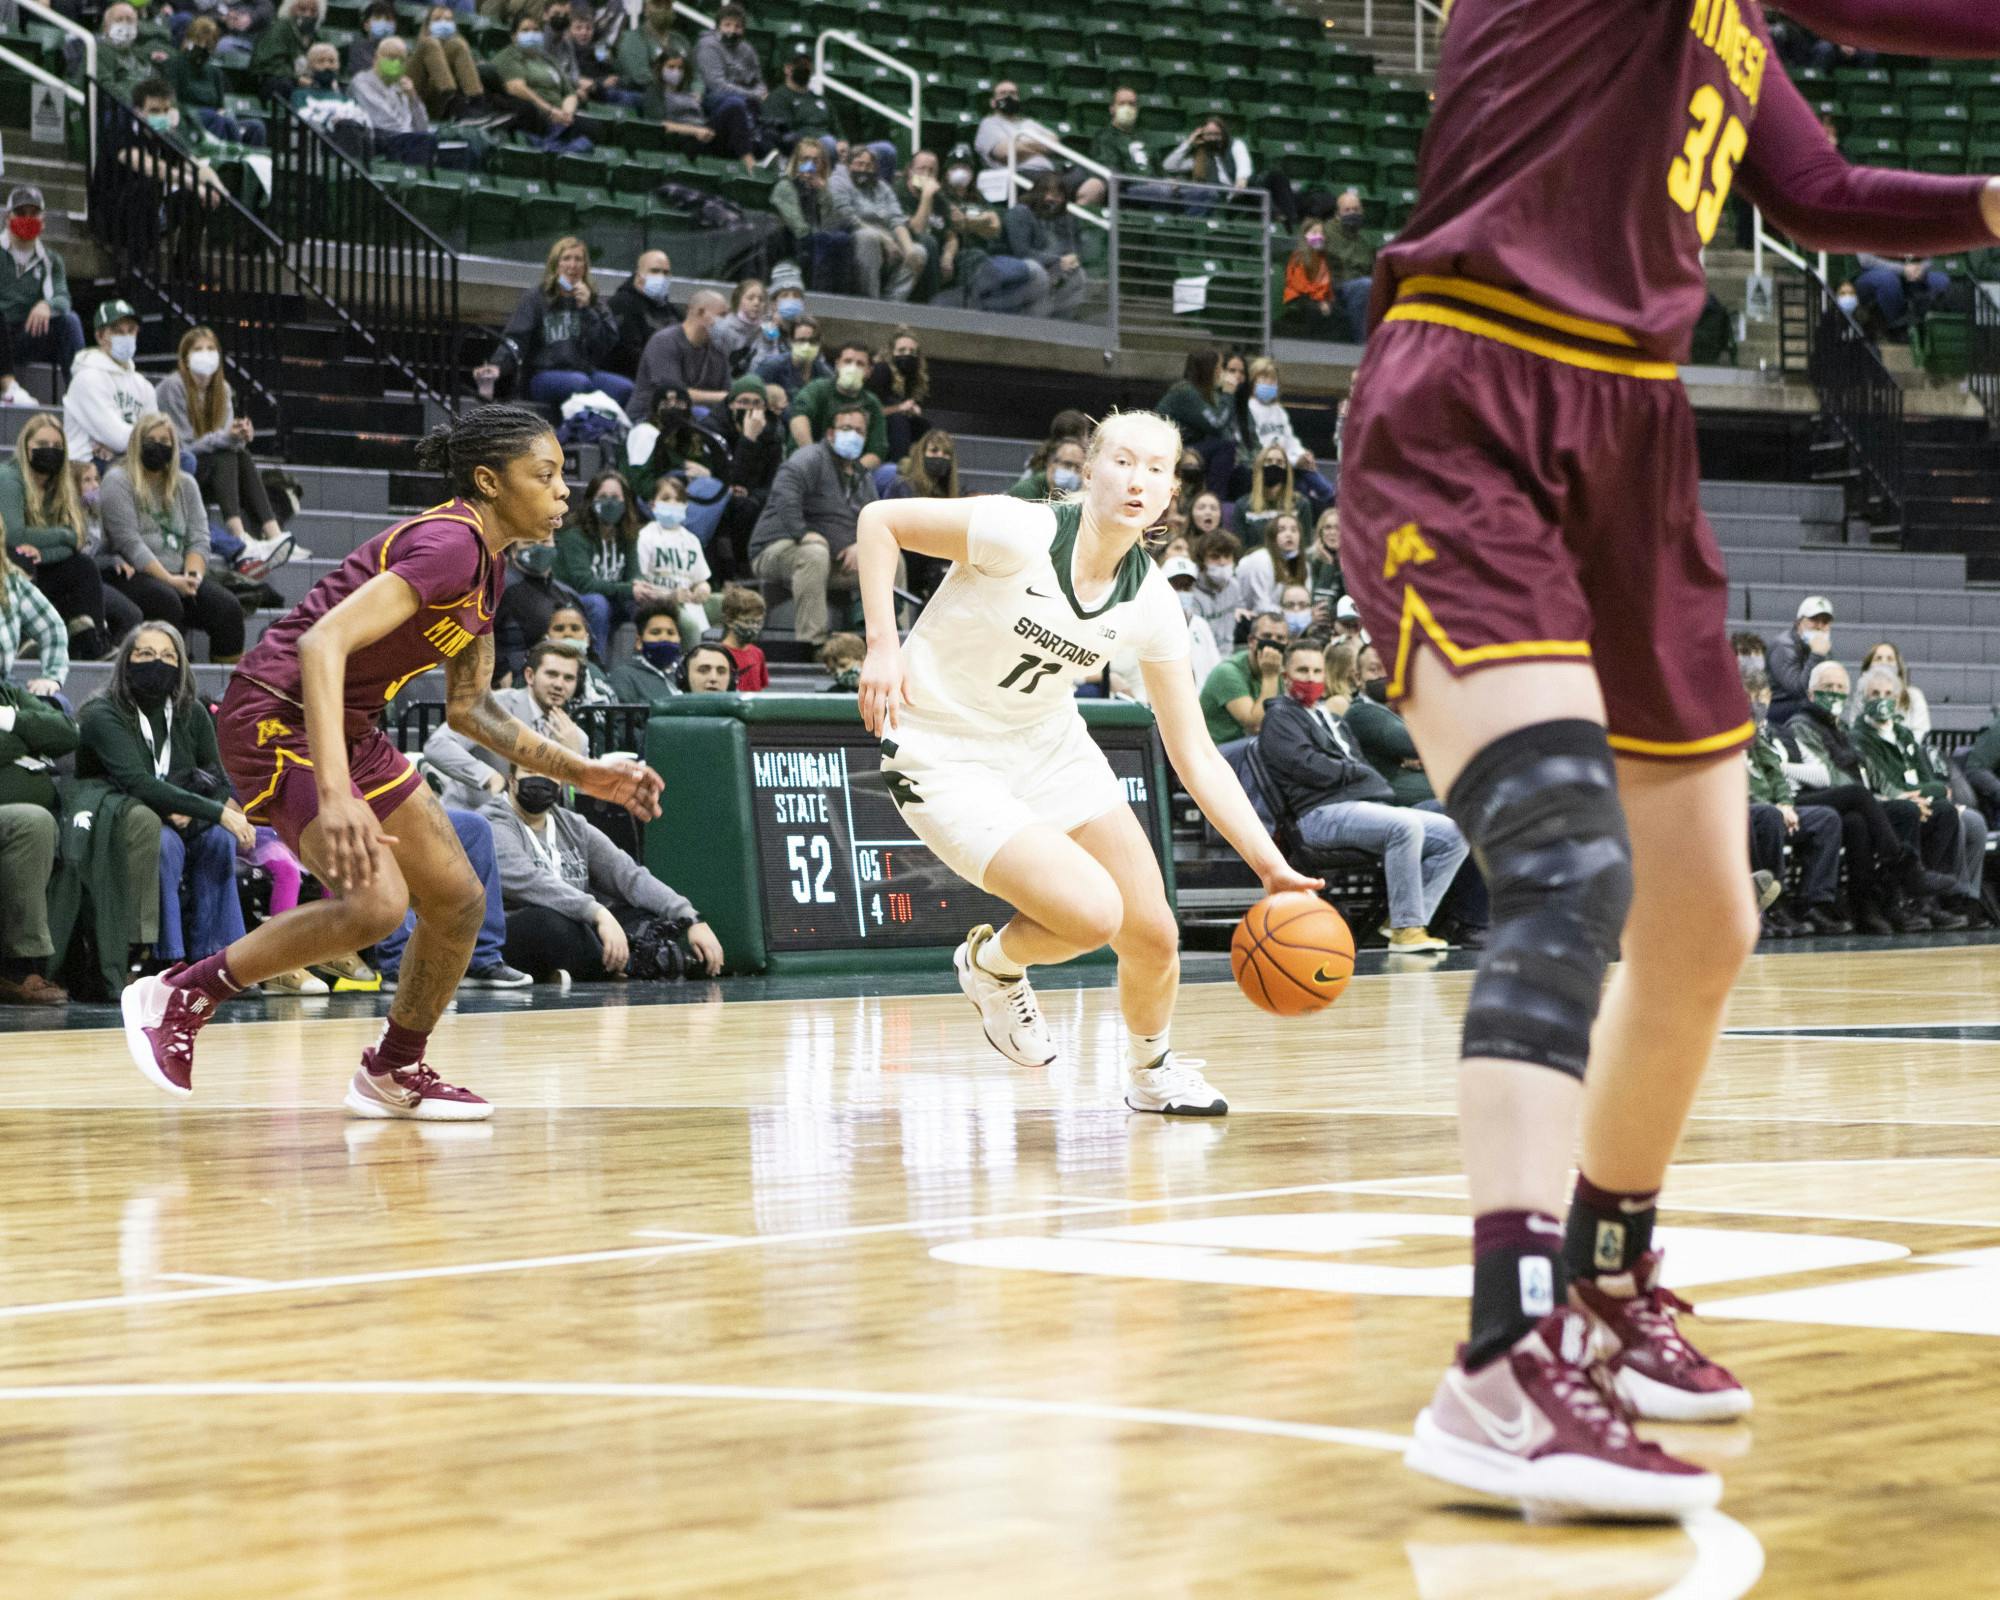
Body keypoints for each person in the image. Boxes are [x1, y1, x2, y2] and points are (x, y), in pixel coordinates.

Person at [1335, 0, 2000, 1519]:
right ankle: (1502, 1357)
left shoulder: (1726, 21)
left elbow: (1815, 192)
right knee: (1565, 865)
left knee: (1703, 922)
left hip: (1637, 431)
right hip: (1473, 400)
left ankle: (1609, 1266)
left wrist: (1983, 204)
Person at [120, 405, 664, 1120]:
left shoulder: (489, 572)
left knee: (459, 900)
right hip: (274, 715)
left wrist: (584, 774)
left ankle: (393, 1068)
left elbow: (471, 708)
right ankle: (180, 993)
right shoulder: (449, 545)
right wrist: (339, 796)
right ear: (488, 481)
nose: (564, 490)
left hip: (350, 728)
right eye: (546, 474)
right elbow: (322, 645)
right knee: (378, 905)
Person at [854, 409, 1321, 1115]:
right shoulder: (1022, 530)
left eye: (1157, 469)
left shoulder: (1153, 603)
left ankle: (1152, 1073)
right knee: (1093, 914)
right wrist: (883, 644)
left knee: (1155, 935)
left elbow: (1193, 748)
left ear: (1171, 495)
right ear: (1089, 469)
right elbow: (880, 520)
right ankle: (991, 965)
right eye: (1124, 462)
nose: (1139, 480)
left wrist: (1267, 863)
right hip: (940, 747)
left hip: (1045, 744)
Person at [1260, 637, 1466, 950]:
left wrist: (1356, 773)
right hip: (1318, 815)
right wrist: (1354, 774)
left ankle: (1405, 918)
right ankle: (1406, 928)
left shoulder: (1329, 717)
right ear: (1286, 676)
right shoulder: (1280, 718)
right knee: (1404, 827)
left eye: (1317, 670)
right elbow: (1306, 766)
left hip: (1356, 806)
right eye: (1302, 670)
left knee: (1455, 833)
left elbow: (1356, 762)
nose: (1311, 678)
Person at [77, 623, 257, 971]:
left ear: (180, 666)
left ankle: (217, 958)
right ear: (126, 661)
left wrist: (198, 812)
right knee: (164, 843)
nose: (156, 663)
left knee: (219, 839)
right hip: (125, 816)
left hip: (183, 817)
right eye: (145, 654)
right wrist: (212, 811)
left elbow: (219, 780)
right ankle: (168, 958)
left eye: (167, 655)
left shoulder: (192, 712)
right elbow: (138, 782)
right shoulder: (103, 713)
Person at [486, 761, 722, 981]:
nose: (540, 780)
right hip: (516, 928)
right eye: (529, 771)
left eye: (549, 773)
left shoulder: (573, 825)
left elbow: (629, 876)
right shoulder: (493, 820)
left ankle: (623, 962)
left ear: (560, 783)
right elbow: (528, 881)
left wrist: (690, 918)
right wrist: (597, 913)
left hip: (581, 925)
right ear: (512, 779)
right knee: (549, 923)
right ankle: (632, 964)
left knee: (644, 913)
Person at [1779, 657, 1963, 933]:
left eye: (1840, 687)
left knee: (1866, 819)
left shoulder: (1837, 726)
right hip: (1809, 797)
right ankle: (1906, 871)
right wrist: (1880, 800)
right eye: (1828, 686)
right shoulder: (1801, 725)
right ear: (1811, 693)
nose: (1835, 692)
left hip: (1848, 804)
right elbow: (1829, 774)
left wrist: (1899, 794)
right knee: (1861, 798)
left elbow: (1870, 771)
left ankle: (1878, 904)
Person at [1850, 662, 1992, 920]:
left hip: (1917, 801)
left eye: (1888, 695)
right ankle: (1903, 899)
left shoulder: (1903, 734)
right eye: (1875, 694)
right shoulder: (1859, 737)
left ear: (1898, 699)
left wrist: (1926, 793)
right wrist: (1919, 794)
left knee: (1945, 811)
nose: (1882, 700)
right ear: (1862, 699)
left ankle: (1932, 902)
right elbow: (1887, 782)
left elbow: (1932, 782)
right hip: (1885, 806)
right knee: (1911, 810)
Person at [101, 413, 244, 663]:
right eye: (151, 439)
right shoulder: (117, 480)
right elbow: (129, 543)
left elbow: (199, 537)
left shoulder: (186, 484)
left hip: (179, 573)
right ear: (137, 443)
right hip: (130, 573)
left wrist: (192, 577)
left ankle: (228, 690)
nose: (158, 446)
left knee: (228, 609)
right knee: (166, 601)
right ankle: (171, 673)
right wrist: (170, 580)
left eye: (165, 441)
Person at [2, 414, 138, 662]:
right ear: (26, 447)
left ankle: (93, 641)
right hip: (8, 567)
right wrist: (61, 536)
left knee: (82, 565)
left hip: (43, 567)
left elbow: (76, 538)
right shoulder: (9, 477)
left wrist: (45, 551)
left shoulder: (61, 483)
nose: (49, 452)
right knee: (21, 557)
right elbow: (14, 535)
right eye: (42, 445)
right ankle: (25, 639)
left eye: (56, 447)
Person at [155, 325, 292, 571]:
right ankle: (239, 534)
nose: (205, 354)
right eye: (198, 349)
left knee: (238, 453)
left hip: (215, 474)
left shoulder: (224, 389)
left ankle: (274, 533)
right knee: (226, 454)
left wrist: (240, 435)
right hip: (183, 468)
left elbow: (224, 440)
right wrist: (227, 438)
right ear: (185, 356)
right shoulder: (172, 387)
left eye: (211, 349)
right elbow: (184, 446)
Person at [750, 400, 878, 646]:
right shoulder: (810, 457)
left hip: (832, 561)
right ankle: (812, 645)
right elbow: (785, 492)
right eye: (846, 428)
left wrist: (862, 544)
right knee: (813, 553)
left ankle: (890, 642)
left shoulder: (863, 476)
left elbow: (875, 517)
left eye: (859, 431)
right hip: (775, 550)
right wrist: (802, 533)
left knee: (891, 561)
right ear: (831, 433)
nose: (853, 435)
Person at [1740, 668, 1850, 937]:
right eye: (1749, 697)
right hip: (1743, 809)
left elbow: (1776, 773)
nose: (1756, 704)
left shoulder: (1757, 735)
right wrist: (1776, 808)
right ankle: (1771, 904)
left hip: (1773, 807)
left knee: (1826, 818)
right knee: (1768, 816)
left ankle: (1814, 902)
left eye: (1761, 697)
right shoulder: (1723, 732)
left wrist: (1786, 803)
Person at [474, 237, 628, 411]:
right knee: (579, 384)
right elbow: (517, 337)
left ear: (585, 267)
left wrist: (588, 309)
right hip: (542, 376)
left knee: (624, 388)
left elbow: (605, 345)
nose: (573, 265)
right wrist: (499, 366)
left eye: (578, 259)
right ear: (556, 265)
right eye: (567, 258)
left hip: (585, 373)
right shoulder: (536, 298)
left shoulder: (594, 302)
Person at [0, 675, 75, 1004]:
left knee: (77, 830)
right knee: (34, 823)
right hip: (20, 822)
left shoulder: (9, 692)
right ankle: (18, 967)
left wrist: (10, 718)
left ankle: (83, 967)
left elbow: (65, 732)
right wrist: (25, 740)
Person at [935, 146, 1050, 316]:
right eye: (955, 168)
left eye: (965, 168)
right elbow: (955, 224)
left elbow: (994, 227)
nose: (960, 172)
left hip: (985, 256)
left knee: (1031, 272)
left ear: (972, 173)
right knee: (979, 260)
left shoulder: (979, 199)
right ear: (946, 173)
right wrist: (981, 222)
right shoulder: (941, 197)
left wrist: (970, 222)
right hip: (958, 257)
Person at [0, 187, 85, 410]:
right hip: (1, 331)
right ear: (8, 218)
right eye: (21, 213)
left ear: (43, 220)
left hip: (27, 334)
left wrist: (47, 304)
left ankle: (83, 397)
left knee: (70, 321)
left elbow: (63, 297)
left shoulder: (51, 260)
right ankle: (7, 387)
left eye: (33, 213)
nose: (27, 219)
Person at [65, 300, 157, 469]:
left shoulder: (143, 385)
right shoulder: (87, 379)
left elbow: (157, 436)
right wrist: (134, 444)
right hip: (87, 466)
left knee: (183, 459)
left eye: (131, 331)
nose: (126, 337)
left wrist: (124, 447)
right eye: (118, 332)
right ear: (100, 336)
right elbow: (118, 438)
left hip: (126, 458)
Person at [830, 145, 928, 303]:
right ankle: (871, 301)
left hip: (887, 238)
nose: (864, 169)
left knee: (919, 252)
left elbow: (897, 219)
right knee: (869, 237)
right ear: (849, 165)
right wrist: (884, 239)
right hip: (854, 232)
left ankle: (892, 303)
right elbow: (846, 217)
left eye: (869, 166)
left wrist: (908, 248)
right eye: (859, 164)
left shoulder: (882, 187)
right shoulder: (838, 180)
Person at [1161, 114, 1296, 227]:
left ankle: (1288, 220)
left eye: (1216, 134)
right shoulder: (1199, 158)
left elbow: (1244, 164)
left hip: (1243, 190)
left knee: (1275, 176)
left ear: (1223, 134)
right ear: (1202, 136)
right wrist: (1189, 142)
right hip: (1224, 200)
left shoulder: (1235, 145)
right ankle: (1278, 217)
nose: (1213, 138)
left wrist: (1241, 180)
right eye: (1208, 134)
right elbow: (1169, 165)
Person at [491, 11, 589, 152]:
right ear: (513, 36)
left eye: (536, 30)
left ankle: (553, 149)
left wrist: (567, 114)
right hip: (536, 119)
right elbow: (516, 87)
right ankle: (549, 150)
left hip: (561, 121)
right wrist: (550, 111)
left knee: (590, 133)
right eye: (525, 30)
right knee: (582, 144)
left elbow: (569, 93)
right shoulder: (509, 56)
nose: (531, 34)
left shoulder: (548, 59)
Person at [627, 289, 729, 423]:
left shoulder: (718, 350)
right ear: (700, 312)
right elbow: (673, 394)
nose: (726, 322)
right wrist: (723, 397)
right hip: (651, 417)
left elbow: (729, 392)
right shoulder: (664, 342)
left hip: (696, 417)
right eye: (722, 315)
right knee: (703, 414)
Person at [632, 476, 713, 647]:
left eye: (679, 500)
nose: (673, 503)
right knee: (691, 626)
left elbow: (701, 580)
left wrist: (703, 589)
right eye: (666, 498)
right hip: (660, 604)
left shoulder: (692, 540)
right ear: (653, 504)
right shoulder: (645, 537)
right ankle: (691, 669)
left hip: (690, 601)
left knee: (729, 606)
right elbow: (639, 585)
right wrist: (670, 597)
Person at [1243, 360, 1334, 505]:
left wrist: (1303, 455)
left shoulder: (1278, 410)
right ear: (1253, 382)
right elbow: (1256, 446)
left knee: (1305, 478)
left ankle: (1329, 498)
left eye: (1272, 380)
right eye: (1263, 379)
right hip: (1267, 464)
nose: (1268, 383)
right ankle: (1331, 496)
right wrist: (1294, 460)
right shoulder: (1247, 408)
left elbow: (1291, 441)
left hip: (1289, 465)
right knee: (1304, 482)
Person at [1000, 174, 1088, 321]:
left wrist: (1072, 259)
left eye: (1060, 196)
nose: (1055, 200)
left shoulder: (1064, 218)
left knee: (1079, 274)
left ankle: (1061, 323)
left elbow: (1073, 249)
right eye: (1051, 194)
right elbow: (1022, 253)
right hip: (1020, 270)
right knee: (1035, 268)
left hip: (1052, 270)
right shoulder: (1020, 213)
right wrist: (1058, 261)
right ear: (1038, 193)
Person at [690, 2, 767, 170]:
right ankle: (751, 159)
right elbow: (717, 85)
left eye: (738, 26)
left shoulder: (747, 50)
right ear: (718, 26)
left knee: (764, 113)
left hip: (743, 99)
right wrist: (753, 94)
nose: (732, 30)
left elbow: (759, 83)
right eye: (727, 25)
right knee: (736, 102)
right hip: (711, 100)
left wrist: (758, 93)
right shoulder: (708, 46)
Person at [787, 340, 888, 466]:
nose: (853, 367)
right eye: (848, 361)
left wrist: (849, 475)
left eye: (860, 364)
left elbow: (877, 451)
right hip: (807, 464)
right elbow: (798, 418)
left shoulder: (872, 404)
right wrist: (813, 459)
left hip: (851, 471)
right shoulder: (818, 389)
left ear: (868, 371)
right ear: (837, 364)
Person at [1196, 609, 1289, 747]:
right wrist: (1270, 676)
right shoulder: (1227, 672)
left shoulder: (1280, 668)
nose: (1273, 643)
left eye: (1280, 638)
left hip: (1250, 749)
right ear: (1251, 641)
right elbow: (1256, 726)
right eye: (1267, 636)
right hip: (1218, 752)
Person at [1156, 350, 1242, 499]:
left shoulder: (1203, 392)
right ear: (1210, 370)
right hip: (1168, 448)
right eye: (1220, 367)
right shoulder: (1187, 392)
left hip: (1186, 445)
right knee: (1225, 446)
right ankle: (1215, 499)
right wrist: (1228, 394)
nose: (1223, 372)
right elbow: (1217, 424)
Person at [770, 138, 852, 293]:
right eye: (805, 159)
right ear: (796, 162)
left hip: (820, 237)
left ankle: (842, 296)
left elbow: (832, 223)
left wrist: (823, 192)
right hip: (794, 239)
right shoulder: (785, 187)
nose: (811, 165)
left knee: (843, 239)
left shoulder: (823, 188)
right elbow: (798, 227)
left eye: (816, 161)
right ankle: (819, 293)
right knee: (822, 240)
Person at [0, 545, 68, 699]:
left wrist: (51, 676)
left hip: (3, 687)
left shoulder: (10, 582)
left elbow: (51, 627)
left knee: (58, 703)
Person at [607, 251, 680, 378]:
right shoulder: (622, 304)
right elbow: (628, 354)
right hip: (636, 376)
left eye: (666, 273)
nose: (661, 277)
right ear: (639, 275)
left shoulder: (673, 311)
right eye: (655, 271)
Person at [1766, 594, 1834, 727]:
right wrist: (1817, 655)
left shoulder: (1822, 647)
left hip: (1805, 706)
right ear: (1799, 622)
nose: (1819, 626)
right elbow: (1798, 691)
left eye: (1825, 622)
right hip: (1780, 708)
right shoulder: (1783, 646)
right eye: (1814, 620)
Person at [408, 5, 486, 121]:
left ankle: (476, 101)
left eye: (448, 20)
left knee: (458, 44)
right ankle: (450, 96)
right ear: (428, 25)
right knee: (430, 44)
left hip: (438, 103)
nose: (443, 23)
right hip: (414, 99)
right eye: (437, 19)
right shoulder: (417, 48)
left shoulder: (458, 49)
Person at [761, 43, 836, 158]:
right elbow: (784, 133)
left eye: (806, 64)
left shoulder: (822, 100)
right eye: (798, 64)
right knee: (829, 143)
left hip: (827, 148)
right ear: (787, 68)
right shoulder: (777, 98)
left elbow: (838, 130)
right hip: (797, 153)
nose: (803, 68)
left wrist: (842, 142)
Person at [1322, 189, 1377, 342]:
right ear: (1338, 214)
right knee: (1365, 285)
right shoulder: (1323, 231)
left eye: (1356, 210)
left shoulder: (1365, 239)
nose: (1352, 213)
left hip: (1361, 284)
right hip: (1336, 285)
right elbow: (1309, 257)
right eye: (1347, 210)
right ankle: (1363, 344)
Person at [869, 327, 931, 462]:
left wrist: (912, 411)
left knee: (923, 425)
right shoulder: (881, 370)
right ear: (891, 352)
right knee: (899, 419)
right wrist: (900, 408)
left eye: (912, 352)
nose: (907, 355)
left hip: (892, 430)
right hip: (872, 427)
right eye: (902, 350)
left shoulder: (911, 379)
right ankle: (897, 468)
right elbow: (870, 411)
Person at [1854, 252, 1950, 339]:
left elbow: (1930, 257)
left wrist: (1921, 268)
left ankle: (1929, 328)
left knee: (1940, 281)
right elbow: (1866, 261)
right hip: (1872, 273)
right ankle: (1897, 328)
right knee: (1888, 280)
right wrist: (1903, 269)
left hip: (1912, 271)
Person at [607, 600, 684, 707]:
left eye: (671, 633)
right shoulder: (624, 677)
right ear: (639, 642)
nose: (664, 638)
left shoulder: (687, 675)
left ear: (679, 639)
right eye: (655, 632)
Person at [1236, 510, 1308, 617]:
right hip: (1248, 616)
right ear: (1272, 536)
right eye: (1282, 530)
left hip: (1283, 617)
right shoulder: (1260, 560)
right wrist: (1294, 615)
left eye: (1294, 530)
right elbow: (1260, 606)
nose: (1289, 534)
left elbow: (1305, 601)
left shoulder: (1304, 564)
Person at [1854, 638, 1929, 739]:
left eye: (1890, 659)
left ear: (1898, 666)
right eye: (1878, 658)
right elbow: (1855, 727)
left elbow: (1919, 731)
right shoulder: (1860, 697)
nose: (1884, 663)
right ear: (1868, 666)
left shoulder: (1914, 695)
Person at [248, 0, 322, 101]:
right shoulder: (278, 29)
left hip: (305, 86)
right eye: (302, 9)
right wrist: (297, 79)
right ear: (290, 9)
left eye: (313, 11)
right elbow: (269, 64)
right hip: (277, 84)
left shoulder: (316, 38)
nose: (308, 14)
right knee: (283, 84)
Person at [541, 604, 616, 703]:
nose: (567, 634)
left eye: (575, 628)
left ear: (587, 639)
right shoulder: (535, 671)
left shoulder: (597, 673)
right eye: (559, 629)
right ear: (546, 638)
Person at [1279, 220, 1338, 340]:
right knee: (1314, 312)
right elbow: (1300, 285)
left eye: (1321, 233)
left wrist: (1326, 300)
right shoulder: (1298, 256)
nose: (1319, 236)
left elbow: (1326, 284)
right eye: (1314, 232)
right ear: (1305, 235)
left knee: (1339, 312)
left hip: (1318, 297)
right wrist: (1321, 301)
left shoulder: (1323, 257)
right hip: (1300, 296)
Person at [716, 584, 768, 690]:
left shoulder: (758, 654)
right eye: (748, 621)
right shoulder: (718, 654)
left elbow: (760, 689)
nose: (754, 627)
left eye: (758, 622)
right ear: (729, 620)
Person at [709, 277, 767, 368]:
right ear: (738, 301)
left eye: (761, 299)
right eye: (750, 298)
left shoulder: (765, 331)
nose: (756, 303)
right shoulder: (723, 329)